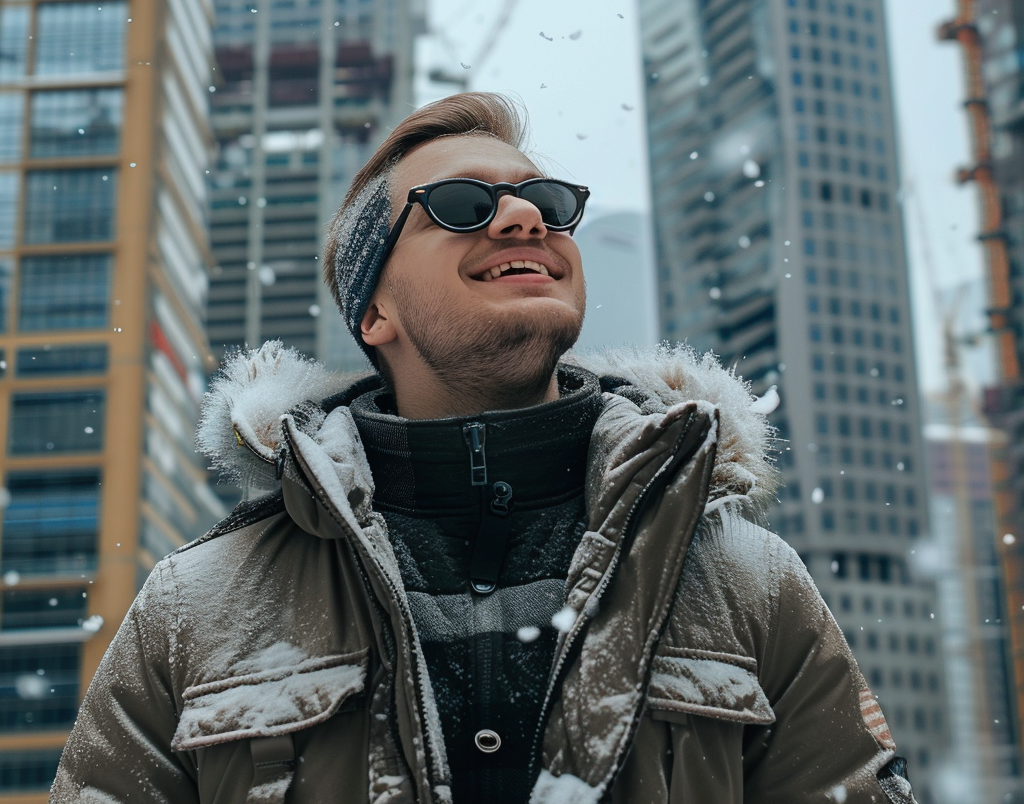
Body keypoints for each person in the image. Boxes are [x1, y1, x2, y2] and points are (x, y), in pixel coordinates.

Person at [52, 93, 916, 804]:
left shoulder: (749, 580)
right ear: (373, 314)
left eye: (547, 203)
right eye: (461, 205)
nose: (521, 217)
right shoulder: (194, 605)